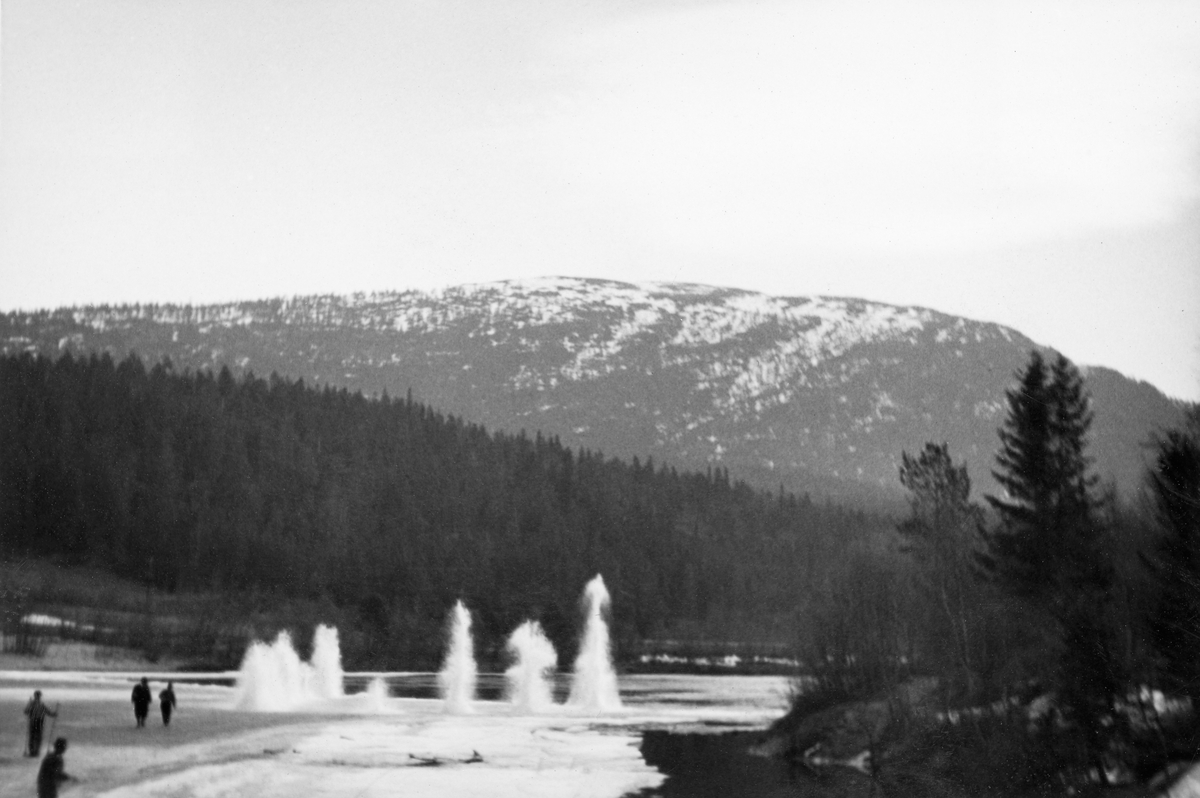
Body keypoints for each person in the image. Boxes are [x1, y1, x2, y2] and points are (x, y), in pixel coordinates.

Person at [23, 690, 57, 757]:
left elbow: (48, 712)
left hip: (39, 722)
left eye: (38, 695)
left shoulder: (41, 704)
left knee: (36, 737)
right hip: (34, 721)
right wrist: (53, 714)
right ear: (35, 696)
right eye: (37, 695)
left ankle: (35, 752)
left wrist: (54, 714)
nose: (38, 697)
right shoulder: (33, 703)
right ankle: (33, 752)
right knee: (34, 737)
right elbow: (26, 711)